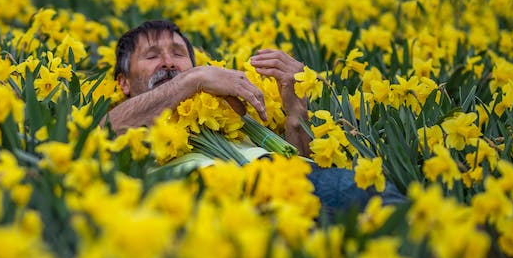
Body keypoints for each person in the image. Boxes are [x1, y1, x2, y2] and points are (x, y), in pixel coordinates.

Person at [103, 19, 405, 213]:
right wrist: (191, 80)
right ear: (123, 82)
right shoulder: (121, 118)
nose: (168, 63)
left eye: (179, 55)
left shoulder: (229, 102)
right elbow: (106, 129)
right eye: (153, 56)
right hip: (216, 203)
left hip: (294, 181)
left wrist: (295, 108)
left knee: (370, 194)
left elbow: (300, 158)